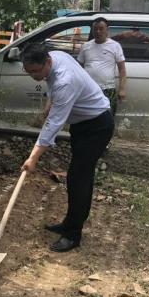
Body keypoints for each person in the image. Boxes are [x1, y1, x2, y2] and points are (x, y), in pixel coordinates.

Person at [20, 42, 114, 253]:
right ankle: (70, 222)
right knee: (79, 176)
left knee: (78, 178)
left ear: (47, 62)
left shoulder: (65, 81)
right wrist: (48, 103)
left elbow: (54, 124)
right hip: (83, 125)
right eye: (29, 72)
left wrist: (33, 158)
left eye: (36, 71)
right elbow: (52, 90)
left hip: (97, 127)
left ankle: (73, 235)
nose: (34, 76)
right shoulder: (54, 57)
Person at [77, 17, 126, 115]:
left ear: (107, 30)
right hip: (89, 89)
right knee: (89, 117)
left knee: (107, 118)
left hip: (108, 89)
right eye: (95, 29)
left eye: (101, 28)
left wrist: (122, 89)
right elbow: (78, 69)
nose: (98, 32)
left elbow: (122, 70)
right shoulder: (85, 46)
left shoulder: (115, 46)